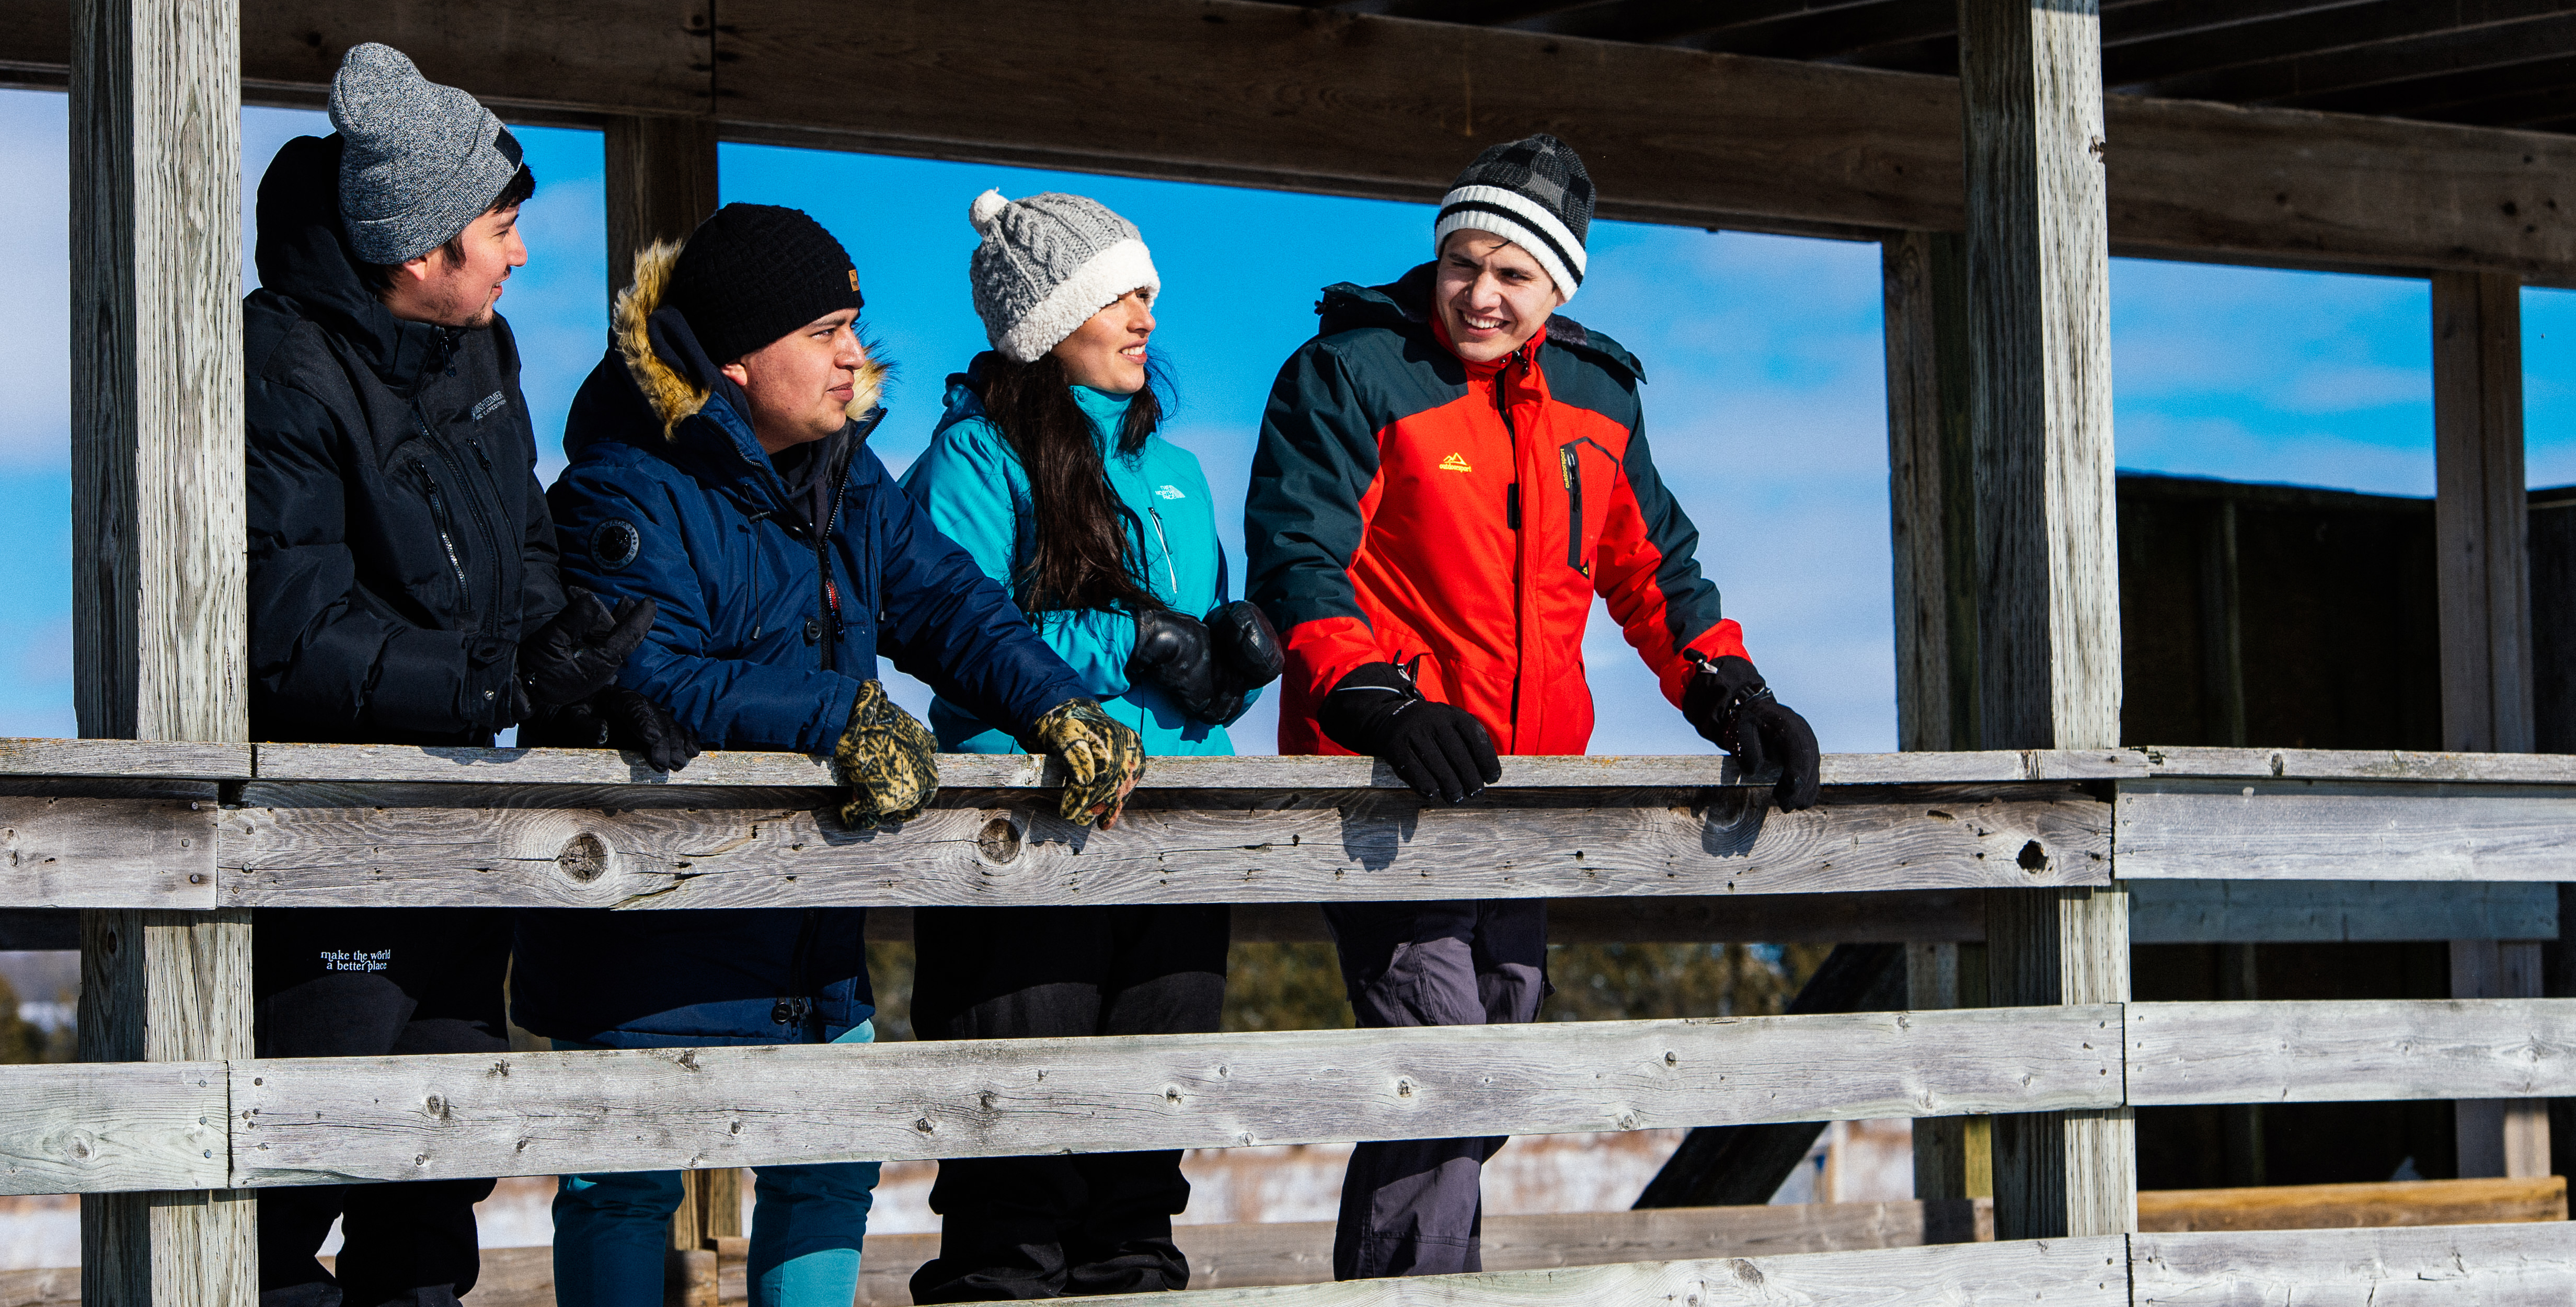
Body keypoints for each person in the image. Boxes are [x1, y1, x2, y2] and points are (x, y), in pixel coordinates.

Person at [512, 202, 1146, 1307]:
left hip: (807, 924)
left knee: (827, 1162)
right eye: (822, 331)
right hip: (651, 915)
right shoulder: (622, 484)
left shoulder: (848, 476)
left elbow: (951, 604)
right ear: (735, 361)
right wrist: (835, 715)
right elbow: (650, 669)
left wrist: (1059, 706)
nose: (855, 352)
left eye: (853, 322)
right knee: (623, 1180)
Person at [1244, 134, 1822, 1280]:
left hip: (1524, 793)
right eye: (1464, 262)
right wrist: (1375, 700)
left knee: (1494, 1062)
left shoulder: (1596, 396)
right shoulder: (1354, 369)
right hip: (1388, 777)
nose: (1481, 292)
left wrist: (1733, 693)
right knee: (1439, 1063)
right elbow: (1298, 556)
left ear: (1558, 286)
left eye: (1513, 272)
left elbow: (1655, 571)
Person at [245, 43, 657, 1307]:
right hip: (327, 838)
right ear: (424, 249)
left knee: (440, 1176)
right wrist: (495, 681)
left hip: (458, 827)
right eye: (503, 226)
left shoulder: (482, 352)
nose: (522, 252)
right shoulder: (280, 365)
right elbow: (291, 629)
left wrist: (584, 686)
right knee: (305, 1167)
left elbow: (523, 550)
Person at [898, 190, 1282, 1301]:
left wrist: (1226, 666)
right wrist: (1135, 637)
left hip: (1173, 832)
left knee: (1143, 1143)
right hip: (1023, 833)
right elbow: (956, 630)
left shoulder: (1181, 472)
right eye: (1118, 291)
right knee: (1015, 1151)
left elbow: (1193, 675)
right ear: (1045, 314)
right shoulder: (975, 456)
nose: (1144, 312)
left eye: (1148, 290)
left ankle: (1133, 1270)